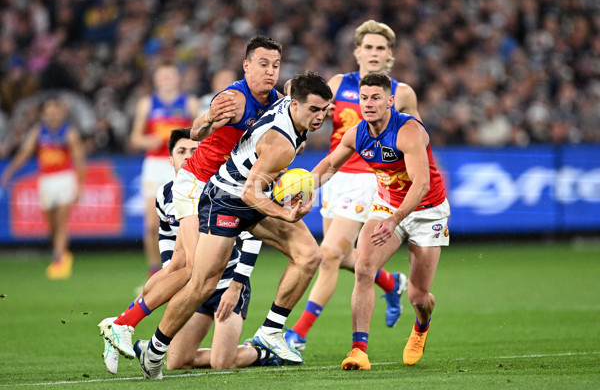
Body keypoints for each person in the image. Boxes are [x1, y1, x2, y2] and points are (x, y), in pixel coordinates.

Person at [133, 71, 332, 380]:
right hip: (225, 198)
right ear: (294, 105)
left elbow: (294, 84)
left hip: (253, 194)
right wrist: (285, 214)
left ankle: (270, 331)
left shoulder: (294, 99)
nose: (320, 117)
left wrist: (307, 81)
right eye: (313, 110)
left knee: (309, 255)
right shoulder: (281, 144)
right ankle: (155, 349)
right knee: (203, 283)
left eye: (324, 110)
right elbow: (249, 193)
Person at [99, 35, 282, 365]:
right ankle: (125, 326)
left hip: (218, 189)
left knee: (183, 267)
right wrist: (209, 119)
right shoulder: (234, 97)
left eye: (276, 65)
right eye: (263, 64)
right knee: (194, 271)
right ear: (246, 66)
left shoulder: (277, 102)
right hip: (197, 184)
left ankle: (123, 325)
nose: (270, 71)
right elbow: (197, 131)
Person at [100, 128, 276, 374]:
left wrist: (237, 286)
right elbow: (168, 243)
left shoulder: (220, 188)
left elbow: (250, 237)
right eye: (181, 151)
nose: (188, 156)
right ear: (170, 159)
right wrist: (171, 282)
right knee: (176, 361)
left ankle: (262, 350)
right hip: (197, 288)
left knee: (221, 362)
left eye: (194, 150)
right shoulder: (166, 195)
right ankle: (122, 323)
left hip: (226, 283)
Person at [285, 20, 416, 351]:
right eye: (368, 47)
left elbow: (417, 138)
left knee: (328, 254)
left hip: (371, 179)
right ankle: (391, 282)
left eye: (380, 48)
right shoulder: (339, 84)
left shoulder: (401, 94)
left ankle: (296, 334)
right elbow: (314, 119)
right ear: (357, 51)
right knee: (341, 254)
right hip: (335, 176)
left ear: (390, 56)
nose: (374, 53)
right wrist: (297, 137)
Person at [311, 73, 449, 370]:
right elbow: (330, 164)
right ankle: (359, 350)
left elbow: (422, 184)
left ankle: (421, 326)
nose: (369, 104)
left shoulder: (408, 131)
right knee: (363, 268)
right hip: (387, 206)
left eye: (376, 98)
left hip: (427, 211)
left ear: (389, 101)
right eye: (364, 98)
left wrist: (397, 218)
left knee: (418, 295)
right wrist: (305, 190)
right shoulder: (357, 133)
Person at [1, 97, 86, 280]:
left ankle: (58, 259)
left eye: (55, 112)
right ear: (43, 114)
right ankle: (62, 253)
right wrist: (9, 172)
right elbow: (24, 154)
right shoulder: (38, 133)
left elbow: (79, 160)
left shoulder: (69, 133)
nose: (52, 115)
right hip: (46, 181)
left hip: (64, 178)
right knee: (52, 224)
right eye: (48, 112)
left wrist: (80, 184)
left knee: (62, 220)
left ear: (61, 113)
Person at [130, 61, 199, 277]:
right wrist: (148, 140)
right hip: (155, 165)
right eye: (163, 76)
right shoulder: (147, 104)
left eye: (171, 75)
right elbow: (135, 138)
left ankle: (186, 265)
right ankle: (154, 269)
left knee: (185, 218)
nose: (168, 80)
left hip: (183, 165)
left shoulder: (190, 103)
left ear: (177, 79)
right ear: (156, 80)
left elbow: (201, 134)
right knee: (152, 224)